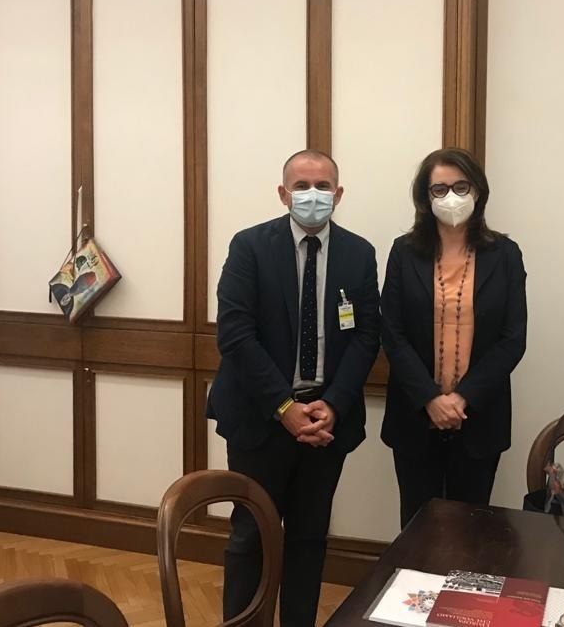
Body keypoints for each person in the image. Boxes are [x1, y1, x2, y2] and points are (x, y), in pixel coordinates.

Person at [207, 149, 380, 627]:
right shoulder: (249, 247)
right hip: (260, 417)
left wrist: (334, 404)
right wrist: (284, 407)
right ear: (283, 194)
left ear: (338, 194)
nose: (312, 195)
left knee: (309, 538)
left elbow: (367, 336)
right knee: (251, 536)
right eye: (301, 186)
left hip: (326, 420)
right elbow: (235, 335)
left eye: (322, 186)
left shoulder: (359, 254)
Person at [381, 147, 527, 528]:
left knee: (470, 529)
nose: (451, 197)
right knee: (417, 528)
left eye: (461, 187)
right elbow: (392, 333)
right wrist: (431, 398)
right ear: (425, 197)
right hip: (415, 415)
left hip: (479, 416)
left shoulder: (505, 254)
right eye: (440, 189)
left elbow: (512, 339)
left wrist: (462, 398)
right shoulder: (403, 253)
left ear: (477, 191)